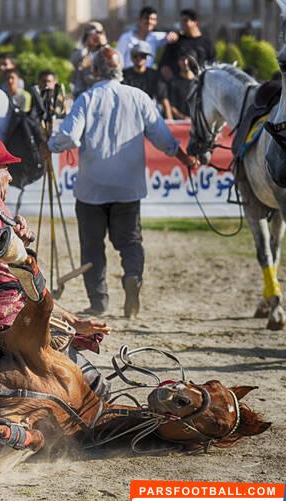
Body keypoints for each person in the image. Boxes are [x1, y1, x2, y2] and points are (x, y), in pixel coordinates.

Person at [0, 133, 111, 398]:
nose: (9, 176)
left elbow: (17, 283)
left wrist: (74, 320)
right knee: (95, 388)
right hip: (4, 317)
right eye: (5, 169)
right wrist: (5, 239)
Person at [47, 47, 199, 318]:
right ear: (119, 71)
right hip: (128, 188)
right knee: (130, 243)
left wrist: (50, 143)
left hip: (92, 188)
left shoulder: (87, 98)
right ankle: (132, 276)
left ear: (95, 71)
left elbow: (69, 138)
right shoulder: (139, 97)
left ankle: (98, 302)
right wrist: (186, 159)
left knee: (93, 247)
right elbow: (164, 139)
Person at [159, 8, 215, 81]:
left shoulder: (206, 42)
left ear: (195, 22)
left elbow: (212, 64)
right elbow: (163, 64)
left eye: (186, 20)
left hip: (199, 85)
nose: (182, 24)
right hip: (177, 86)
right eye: (181, 21)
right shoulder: (176, 40)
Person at [122, 42, 173, 120]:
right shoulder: (123, 75)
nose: (139, 59)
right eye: (136, 56)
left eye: (142, 56)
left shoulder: (155, 75)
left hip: (150, 113)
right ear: (131, 58)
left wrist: (170, 121)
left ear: (146, 58)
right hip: (129, 113)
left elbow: (164, 99)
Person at [70, 21, 108, 98]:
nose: (96, 36)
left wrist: (104, 45)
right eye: (91, 33)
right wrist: (85, 43)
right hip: (83, 94)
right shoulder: (81, 53)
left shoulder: (108, 53)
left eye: (99, 32)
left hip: (102, 94)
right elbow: (73, 61)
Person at [167, 51, 196, 120]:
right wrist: (184, 119)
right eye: (182, 59)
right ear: (178, 62)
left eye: (189, 59)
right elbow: (172, 107)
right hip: (180, 124)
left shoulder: (200, 82)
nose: (186, 63)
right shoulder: (173, 82)